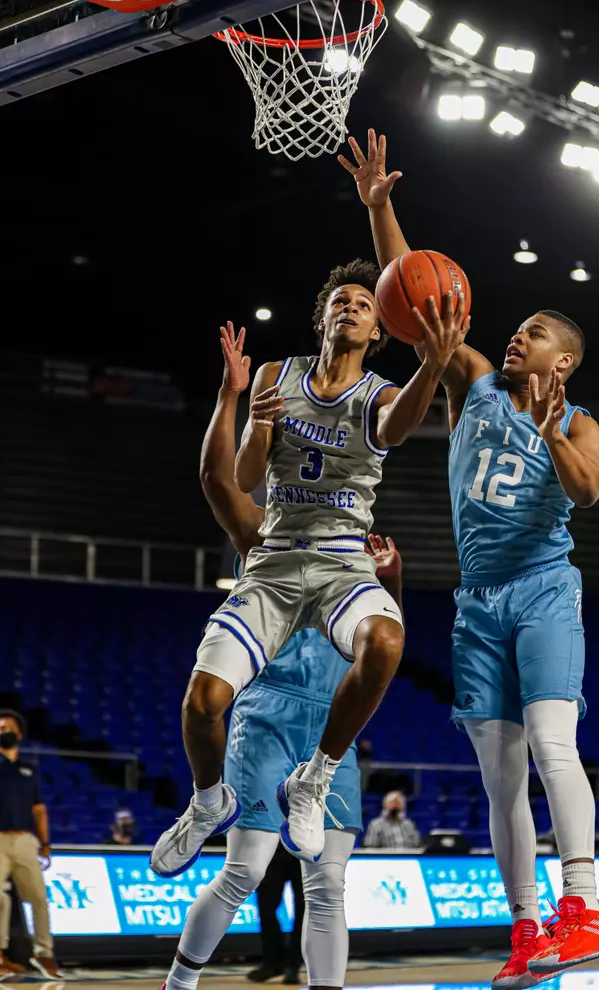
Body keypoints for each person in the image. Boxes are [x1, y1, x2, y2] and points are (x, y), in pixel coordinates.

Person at [340, 130, 599, 986]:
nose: (514, 337)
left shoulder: (577, 422)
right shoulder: (472, 382)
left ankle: (585, 904)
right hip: (477, 602)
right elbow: (414, 293)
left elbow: (587, 493)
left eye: (531, 334)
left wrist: (550, 434)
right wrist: (380, 207)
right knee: (500, 781)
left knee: (552, 743)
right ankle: (527, 929)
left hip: (542, 590)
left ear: (561, 360)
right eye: (515, 328)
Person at [152, 261, 465, 876]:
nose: (350, 308)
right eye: (340, 301)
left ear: (379, 330)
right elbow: (241, 476)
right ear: (321, 317)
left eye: (364, 304)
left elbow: (397, 427)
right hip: (275, 559)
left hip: (342, 560)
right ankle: (208, 803)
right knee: (201, 702)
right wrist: (249, 412)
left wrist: (432, 364)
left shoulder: (379, 393)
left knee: (387, 642)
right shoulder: (277, 375)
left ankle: (314, 777)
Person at [162, 323, 404, 990]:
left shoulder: (354, 561)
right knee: (242, 871)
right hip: (268, 714)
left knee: (328, 884)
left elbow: (386, 638)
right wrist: (231, 399)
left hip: (328, 728)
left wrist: (394, 577)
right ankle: (179, 982)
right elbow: (217, 477)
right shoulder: (263, 537)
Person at [0, 710, 62, 979]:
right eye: (0, 728)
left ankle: (44, 954)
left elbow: (39, 810)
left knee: (39, 898)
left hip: (26, 840)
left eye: (7, 728)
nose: (3, 732)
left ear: (19, 734)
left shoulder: (29, 770)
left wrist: (45, 844)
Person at [247, 843, 304, 984]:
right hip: (273, 848)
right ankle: (273, 962)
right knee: (266, 907)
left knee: (303, 911)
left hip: (306, 850)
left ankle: (293, 966)